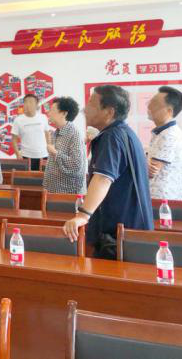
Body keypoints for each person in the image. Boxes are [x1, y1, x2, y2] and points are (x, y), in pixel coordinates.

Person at [63, 85, 153, 257]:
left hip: (118, 234)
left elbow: (103, 178)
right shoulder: (124, 132)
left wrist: (83, 215)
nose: (84, 109)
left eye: (91, 104)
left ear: (109, 112)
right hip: (130, 229)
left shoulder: (111, 137)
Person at [146, 86, 182, 199]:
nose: (149, 107)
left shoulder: (169, 135)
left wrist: (141, 161)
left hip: (164, 201)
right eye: (150, 102)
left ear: (169, 111)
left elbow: (150, 171)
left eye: (154, 104)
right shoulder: (162, 132)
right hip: (158, 199)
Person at [44, 97, 87, 194]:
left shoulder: (74, 134)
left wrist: (55, 152)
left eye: (52, 110)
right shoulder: (57, 131)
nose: (48, 113)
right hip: (54, 188)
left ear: (64, 114)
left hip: (67, 192)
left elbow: (76, 164)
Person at [11, 94, 51, 170]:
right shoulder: (18, 120)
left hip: (43, 155)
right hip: (26, 156)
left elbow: (47, 134)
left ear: (36, 105)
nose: (28, 104)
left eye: (31, 102)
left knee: (44, 177)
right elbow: (14, 139)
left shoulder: (43, 117)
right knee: (27, 177)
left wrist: (49, 148)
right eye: (25, 102)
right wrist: (17, 154)